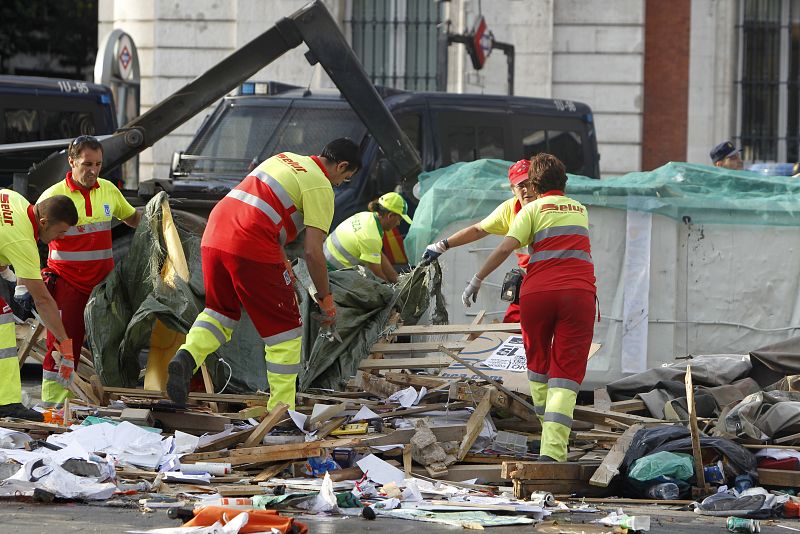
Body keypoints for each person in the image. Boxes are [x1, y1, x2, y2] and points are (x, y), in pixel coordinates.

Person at [166, 138, 362, 411]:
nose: (340, 184)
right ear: (341, 166)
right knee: (286, 330)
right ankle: (281, 410)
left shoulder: (285, 158)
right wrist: (326, 300)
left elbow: (263, 211)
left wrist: (281, 264)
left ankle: (187, 356)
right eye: (345, 178)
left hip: (215, 232)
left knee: (219, 312)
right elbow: (314, 253)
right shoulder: (320, 185)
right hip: (251, 241)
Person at [461, 154, 596, 462]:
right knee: (566, 375)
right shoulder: (580, 209)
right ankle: (553, 449)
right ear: (564, 181)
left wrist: (477, 279)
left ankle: (545, 427)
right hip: (578, 295)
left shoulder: (530, 210)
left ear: (534, 184)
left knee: (537, 366)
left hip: (537, 295)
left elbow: (506, 247)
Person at [37, 135, 141, 406]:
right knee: (62, 346)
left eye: (98, 164)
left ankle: (99, 402)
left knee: (106, 345)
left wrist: (158, 218)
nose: (93, 171)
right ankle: (57, 406)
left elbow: (132, 219)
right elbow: (31, 235)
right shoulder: (53, 197)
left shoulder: (108, 190)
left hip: (102, 288)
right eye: (86, 164)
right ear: (71, 162)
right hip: (67, 286)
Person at [0, 190, 79, 420]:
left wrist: (4, 268)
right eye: (60, 231)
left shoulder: (13, 199)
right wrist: (65, 344)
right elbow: (43, 301)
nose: (61, 238)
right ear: (44, 222)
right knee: (3, 317)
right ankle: (6, 403)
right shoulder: (24, 242)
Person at [422, 159, 532, 322]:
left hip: (552, 279)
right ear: (512, 189)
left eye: (531, 183)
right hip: (530, 279)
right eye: (520, 185)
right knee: (512, 328)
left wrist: (477, 278)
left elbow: (504, 249)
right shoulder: (510, 209)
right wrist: (442, 245)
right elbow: (478, 229)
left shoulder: (547, 208)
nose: (527, 190)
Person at [324, 192, 412, 283]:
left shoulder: (365, 216)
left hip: (323, 258)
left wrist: (397, 279)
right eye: (399, 219)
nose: (398, 223)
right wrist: (392, 290)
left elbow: (378, 254)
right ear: (390, 216)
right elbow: (377, 275)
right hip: (330, 274)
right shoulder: (371, 238)